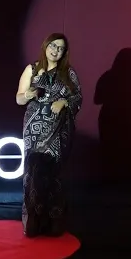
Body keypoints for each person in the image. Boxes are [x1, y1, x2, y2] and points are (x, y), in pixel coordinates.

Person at [15, 33, 83, 237]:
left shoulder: (68, 73)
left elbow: (78, 97)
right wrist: (28, 94)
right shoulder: (32, 69)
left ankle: (54, 222)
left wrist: (64, 102)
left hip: (59, 130)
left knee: (54, 175)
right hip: (34, 129)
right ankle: (34, 223)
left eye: (60, 48)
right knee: (33, 174)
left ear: (64, 52)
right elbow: (19, 98)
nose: (55, 51)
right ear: (45, 46)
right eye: (53, 46)